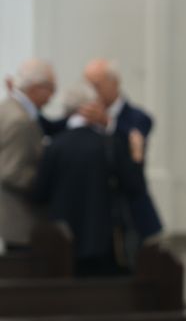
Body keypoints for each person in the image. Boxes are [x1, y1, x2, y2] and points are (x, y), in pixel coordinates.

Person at [31, 82, 146, 276]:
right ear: (93, 108)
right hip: (103, 241)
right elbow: (135, 187)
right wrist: (137, 156)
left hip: (62, 242)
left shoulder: (54, 146)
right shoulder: (109, 144)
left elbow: (39, 193)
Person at [81, 58, 163, 241]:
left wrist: (108, 122)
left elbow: (131, 139)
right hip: (96, 211)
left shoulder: (137, 117)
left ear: (114, 83)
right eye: (87, 85)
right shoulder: (85, 115)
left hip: (129, 210)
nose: (91, 91)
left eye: (96, 85)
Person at [0, 59, 55, 252]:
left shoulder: (8, 107)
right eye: (51, 89)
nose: (52, 97)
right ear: (35, 88)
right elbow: (11, 172)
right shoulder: (20, 120)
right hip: (20, 219)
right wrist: (48, 181)